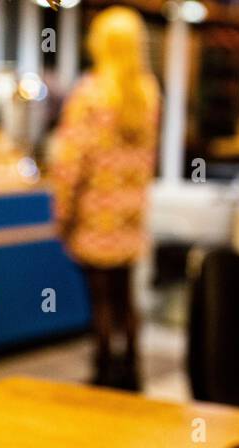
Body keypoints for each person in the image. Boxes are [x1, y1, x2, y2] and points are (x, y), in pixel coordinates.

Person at [49, 6, 160, 391]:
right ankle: (131, 368)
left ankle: (102, 370)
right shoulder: (148, 93)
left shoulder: (90, 94)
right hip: (131, 216)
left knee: (100, 301)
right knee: (125, 295)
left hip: (95, 215)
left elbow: (70, 163)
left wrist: (61, 213)